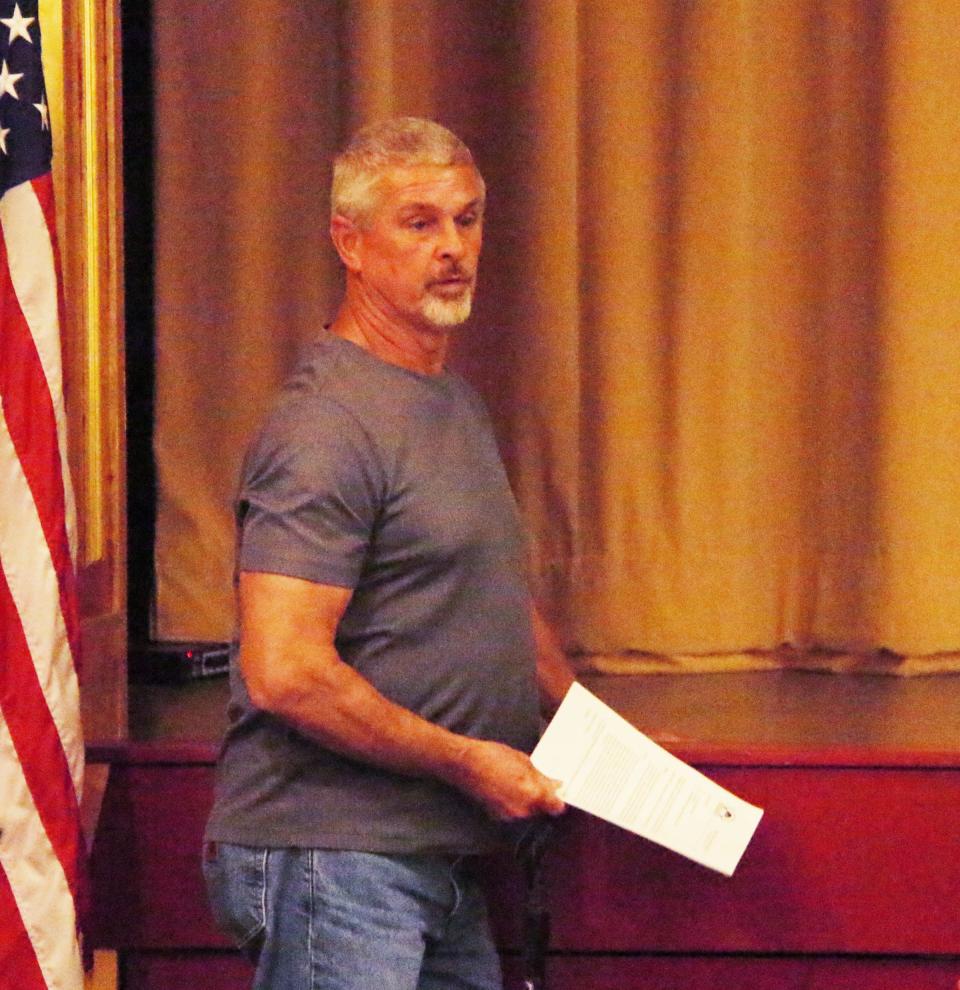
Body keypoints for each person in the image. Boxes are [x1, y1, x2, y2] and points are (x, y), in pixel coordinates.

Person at [202, 116, 576, 990]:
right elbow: (286, 671)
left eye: (468, 219)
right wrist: (467, 758)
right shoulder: (326, 424)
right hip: (334, 857)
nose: (453, 247)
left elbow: (489, 598)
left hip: (433, 858)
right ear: (351, 242)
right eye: (419, 223)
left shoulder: (450, 402)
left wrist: (599, 731)